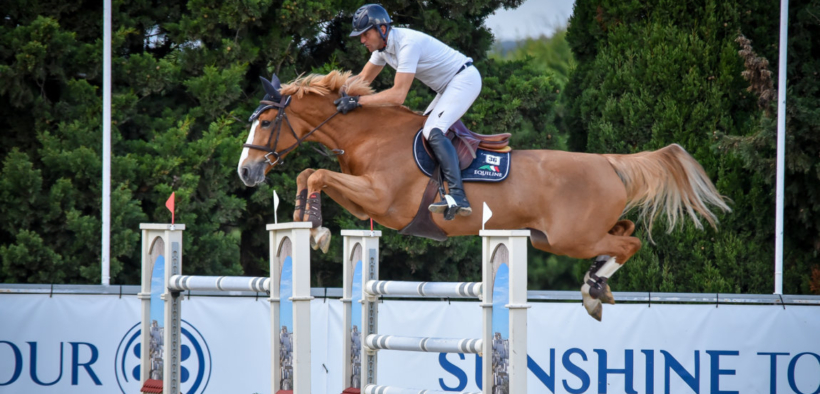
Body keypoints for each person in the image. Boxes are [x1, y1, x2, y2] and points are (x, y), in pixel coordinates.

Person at [334, 3, 481, 218]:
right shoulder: (382, 50)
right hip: (448, 86)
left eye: (365, 34)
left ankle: (459, 196)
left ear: (382, 29)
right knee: (423, 129)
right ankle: (439, 187)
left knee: (432, 130)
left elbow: (398, 95)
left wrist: (358, 102)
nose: (362, 40)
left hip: (464, 80)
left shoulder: (407, 44)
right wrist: (331, 95)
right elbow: (361, 79)